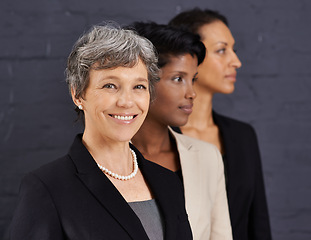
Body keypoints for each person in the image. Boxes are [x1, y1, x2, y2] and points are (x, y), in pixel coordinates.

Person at [9, 24, 193, 240]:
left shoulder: (168, 182)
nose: (126, 102)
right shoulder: (47, 188)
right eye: (110, 86)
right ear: (78, 94)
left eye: (139, 87)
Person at [169, 8, 272, 240]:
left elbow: (259, 224)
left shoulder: (243, 136)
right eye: (222, 50)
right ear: (190, 55)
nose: (236, 62)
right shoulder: (158, 138)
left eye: (232, 50)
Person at [129, 22, 232, 240]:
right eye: (178, 79)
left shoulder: (207, 157)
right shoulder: (107, 162)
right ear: (142, 81)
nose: (191, 93)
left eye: (192, 79)